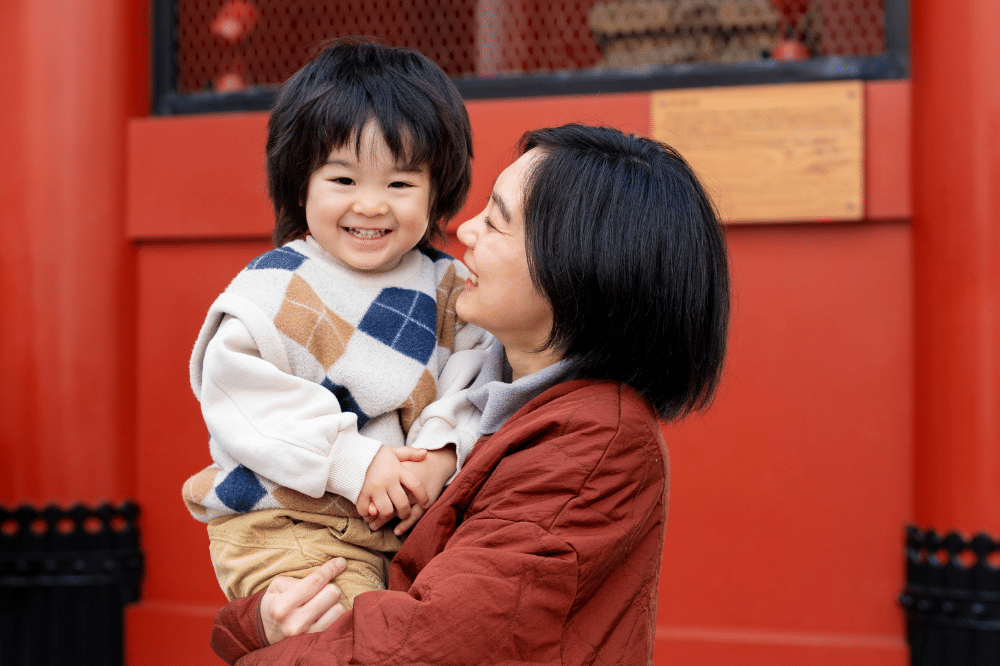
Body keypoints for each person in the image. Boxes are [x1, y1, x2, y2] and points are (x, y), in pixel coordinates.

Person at [210, 123, 731, 665]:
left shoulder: (596, 441)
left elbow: (423, 648)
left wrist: (246, 633)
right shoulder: (477, 384)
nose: (465, 231)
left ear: (576, 267)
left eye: (498, 221)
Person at [181, 39, 493, 609]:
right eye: (343, 181)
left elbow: (476, 379)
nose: (371, 205)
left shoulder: (450, 287)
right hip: (290, 521)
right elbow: (240, 394)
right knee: (346, 631)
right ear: (299, 183)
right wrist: (355, 459)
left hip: (405, 525)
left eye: (399, 184)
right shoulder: (276, 286)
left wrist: (439, 456)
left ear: (438, 187)